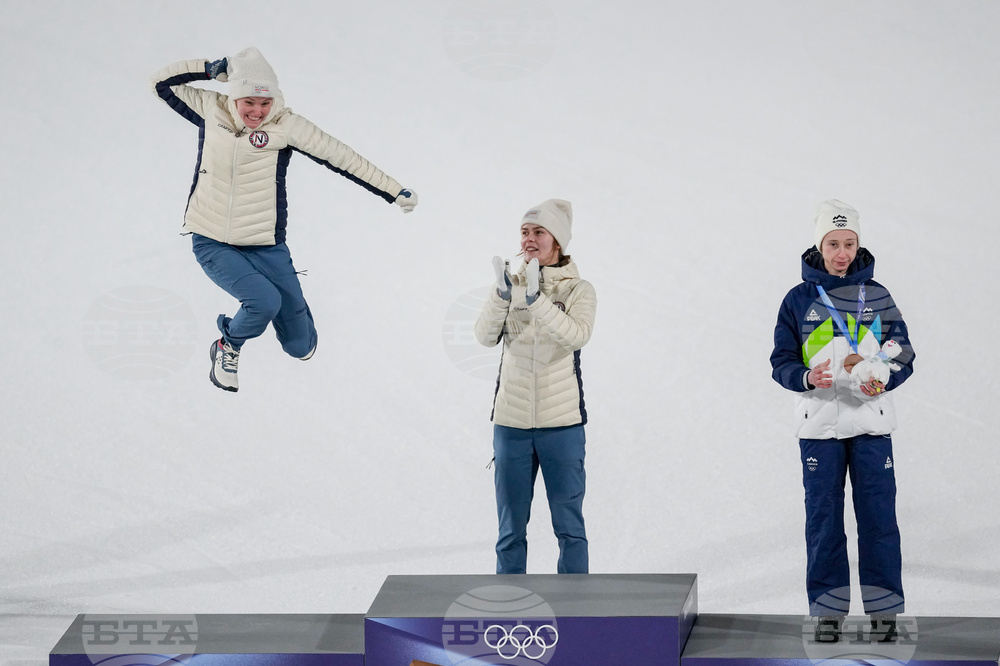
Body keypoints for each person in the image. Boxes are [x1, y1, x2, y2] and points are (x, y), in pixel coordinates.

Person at [151, 47, 417, 392]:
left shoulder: (286, 125)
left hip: (265, 246)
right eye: (249, 102)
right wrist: (209, 68)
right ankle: (227, 346)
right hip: (213, 240)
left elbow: (343, 156)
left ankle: (293, 310)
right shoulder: (210, 108)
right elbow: (160, 83)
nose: (257, 111)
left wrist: (394, 190)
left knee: (300, 346)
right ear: (233, 95)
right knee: (263, 302)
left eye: (265, 103)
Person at [770, 200, 915, 644]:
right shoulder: (798, 300)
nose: (842, 253)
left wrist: (885, 377)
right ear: (819, 245)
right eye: (833, 244)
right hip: (820, 430)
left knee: (878, 520)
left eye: (849, 243)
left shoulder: (878, 296)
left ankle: (884, 614)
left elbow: (904, 353)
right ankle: (828, 614)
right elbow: (781, 360)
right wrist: (805, 377)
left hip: (871, 426)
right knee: (824, 521)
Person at [474, 199, 597, 574]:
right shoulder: (508, 286)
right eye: (525, 232)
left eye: (539, 232)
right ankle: (510, 604)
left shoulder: (579, 290)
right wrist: (502, 297)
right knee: (510, 531)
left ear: (557, 240)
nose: (529, 239)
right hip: (511, 426)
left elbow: (577, 336)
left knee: (569, 529)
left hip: (562, 427)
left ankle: (574, 604)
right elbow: (485, 337)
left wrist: (536, 300)